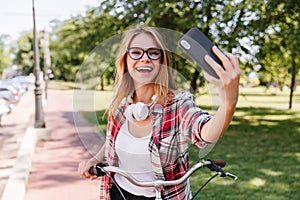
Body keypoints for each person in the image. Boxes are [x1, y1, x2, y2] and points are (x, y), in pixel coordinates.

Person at [78, 25, 240, 200]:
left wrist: (228, 103)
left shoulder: (178, 104)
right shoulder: (121, 104)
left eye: (153, 53)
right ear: (125, 60)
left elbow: (206, 132)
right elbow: (112, 138)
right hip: (117, 193)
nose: (145, 58)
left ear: (162, 62)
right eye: (136, 52)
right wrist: (95, 159)